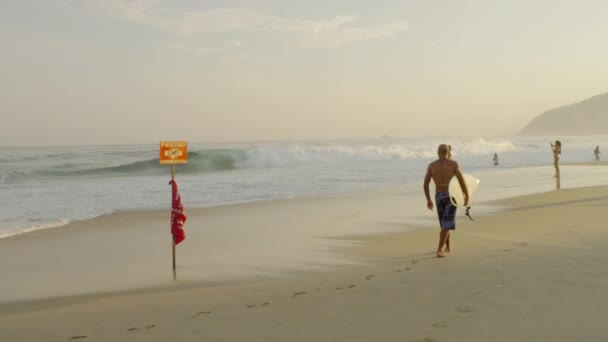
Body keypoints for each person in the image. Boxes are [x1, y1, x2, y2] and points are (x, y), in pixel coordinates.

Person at [423, 144, 468, 258]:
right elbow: (461, 180)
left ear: (437, 152)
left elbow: (425, 184)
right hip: (450, 196)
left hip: (438, 196)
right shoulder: (453, 164)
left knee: (444, 223)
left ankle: (447, 246)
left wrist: (428, 199)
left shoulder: (432, 166)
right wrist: (465, 195)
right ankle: (439, 249)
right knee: (446, 224)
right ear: (448, 152)